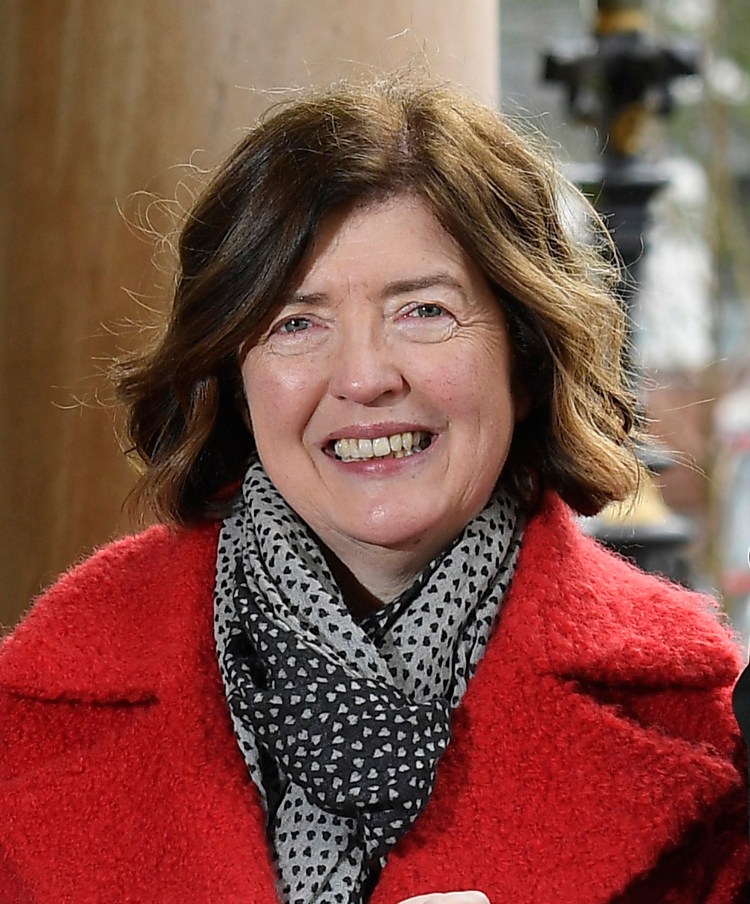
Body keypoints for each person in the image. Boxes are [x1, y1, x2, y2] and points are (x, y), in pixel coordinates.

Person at [0, 74, 747, 904]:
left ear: (527, 357)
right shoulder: (35, 706)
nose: (362, 378)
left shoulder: (704, 726)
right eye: (296, 322)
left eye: (423, 311)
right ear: (234, 380)